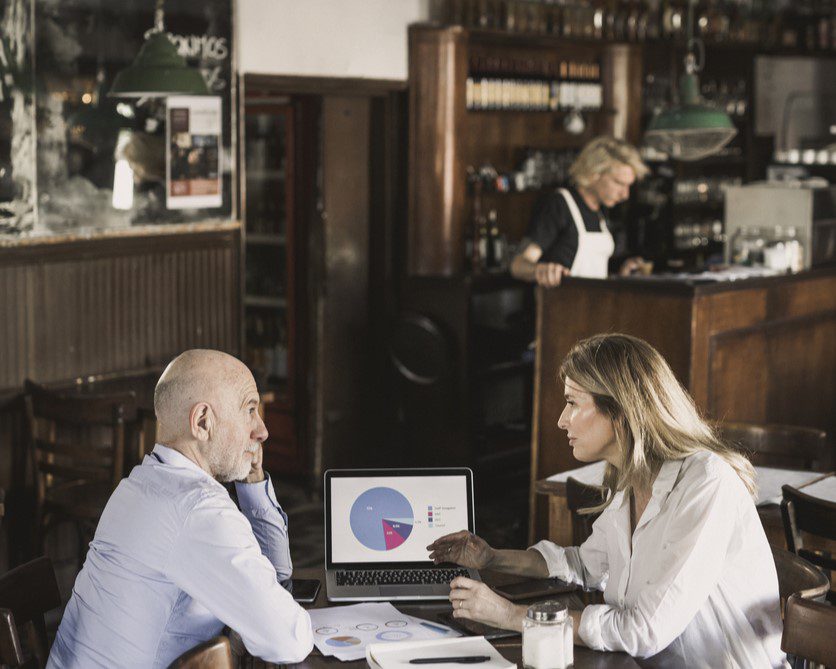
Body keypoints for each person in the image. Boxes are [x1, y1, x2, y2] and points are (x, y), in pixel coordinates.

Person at [428, 334, 785, 667]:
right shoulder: (632, 480)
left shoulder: (705, 482)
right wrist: (491, 557)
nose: (561, 421)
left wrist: (511, 615)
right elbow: (585, 565)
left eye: (572, 403)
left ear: (620, 411)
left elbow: (643, 631)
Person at [48, 350, 313, 668]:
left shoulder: (138, 484)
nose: (262, 431)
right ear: (203, 422)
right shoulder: (200, 511)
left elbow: (277, 581)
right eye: (250, 410)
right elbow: (289, 640)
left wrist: (251, 482)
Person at [510, 137, 650, 287]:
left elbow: (591, 276)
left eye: (628, 186)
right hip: (560, 307)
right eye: (619, 183)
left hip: (592, 307)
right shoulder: (559, 204)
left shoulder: (598, 212)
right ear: (594, 173)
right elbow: (518, 265)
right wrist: (540, 269)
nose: (625, 195)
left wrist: (621, 274)